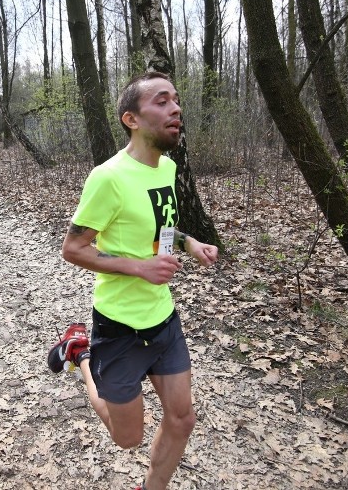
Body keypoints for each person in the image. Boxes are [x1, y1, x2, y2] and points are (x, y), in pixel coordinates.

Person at [47, 72, 219, 490]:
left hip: (162, 318)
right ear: (132, 119)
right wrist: (139, 267)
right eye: (162, 101)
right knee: (128, 439)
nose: (176, 108)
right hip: (120, 326)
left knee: (182, 419)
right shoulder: (108, 177)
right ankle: (80, 355)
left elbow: (159, 229)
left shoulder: (166, 168)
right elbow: (73, 249)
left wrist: (189, 241)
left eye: (176, 101)